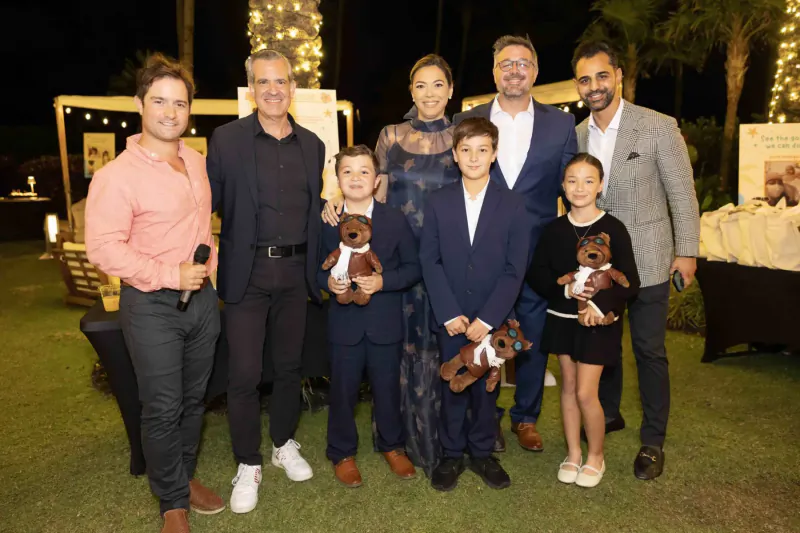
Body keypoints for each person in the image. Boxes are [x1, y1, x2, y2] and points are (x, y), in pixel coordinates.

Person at [85, 53, 224, 533]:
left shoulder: (197, 162)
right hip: (151, 304)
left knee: (193, 399)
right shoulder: (116, 176)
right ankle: (171, 503)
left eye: (180, 103)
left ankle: (182, 478)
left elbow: (203, 226)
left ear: (190, 109)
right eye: (159, 101)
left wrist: (210, 265)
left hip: (202, 301)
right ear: (140, 105)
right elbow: (103, 249)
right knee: (162, 405)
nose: (170, 112)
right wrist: (170, 273)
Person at [322, 54, 460, 475]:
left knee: (442, 347)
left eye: (439, 84)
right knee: (388, 356)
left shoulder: (463, 136)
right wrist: (337, 202)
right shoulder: (391, 135)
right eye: (421, 85)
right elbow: (369, 187)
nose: (430, 93)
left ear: (451, 90)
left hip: (440, 259)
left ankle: (441, 440)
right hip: (387, 256)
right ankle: (386, 440)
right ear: (411, 90)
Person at [572, 41, 700, 480]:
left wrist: (686, 251)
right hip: (600, 270)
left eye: (602, 76)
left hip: (648, 258)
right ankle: (608, 414)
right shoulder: (578, 135)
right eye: (585, 79)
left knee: (648, 349)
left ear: (619, 76)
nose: (595, 86)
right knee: (603, 346)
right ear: (578, 86)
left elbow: (682, 192)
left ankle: (653, 440)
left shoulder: (657, 126)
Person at [207, 49, 325, 513]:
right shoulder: (226, 140)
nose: (273, 90)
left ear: (293, 88)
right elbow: (205, 204)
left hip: (297, 273)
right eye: (263, 82)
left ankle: (282, 444)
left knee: (290, 367)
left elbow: (316, 205)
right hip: (247, 272)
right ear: (251, 89)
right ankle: (247, 462)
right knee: (243, 375)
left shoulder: (313, 144)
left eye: (281, 82)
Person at [454, 35, 577, 453]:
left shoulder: (560, 124)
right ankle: (486, 419)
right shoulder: (466, 119)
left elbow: (570, 186)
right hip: (480, 251)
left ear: (535, 72)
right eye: (506, 63)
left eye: (524, 63)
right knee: (482, 331)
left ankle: (526, 417)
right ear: (494, 71)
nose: (515, 70)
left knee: (533, 335)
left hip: (538, 252)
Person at [421, 117, 531, 491]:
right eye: (465, 150)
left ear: (494, 154)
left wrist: (488, 319)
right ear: (454, 154)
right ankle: (451, 455)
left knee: (486, 390)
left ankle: (483, 452)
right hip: (451, 316)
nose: (474, 156)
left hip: (493, 321)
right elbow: (429, 260)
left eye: (482, 150)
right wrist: (449, 312)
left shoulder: (514, 205)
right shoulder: (437, 202)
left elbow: (515, 269)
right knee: (451, 384)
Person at [527, 154, 640, 488]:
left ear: (600, 185)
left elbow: (629, 281)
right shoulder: (554, 229)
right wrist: (566, 294)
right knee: (570, 387)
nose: (580, 187)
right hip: (562, 319)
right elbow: (538, 274)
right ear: (563, 186)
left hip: (598, 324)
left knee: (588, 393)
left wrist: (601, 307)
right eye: (572, 180)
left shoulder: (614, 228)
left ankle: (596, 456)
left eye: (588, 180)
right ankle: (574, 453)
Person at [318, 145, 421, 487]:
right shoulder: (327, 219)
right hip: (344, 325)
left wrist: (382, 281)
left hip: (384, 323)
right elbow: (312, 269)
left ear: (376, 180)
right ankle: (342, 452)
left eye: (364, 171)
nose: (356, 178)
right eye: (347, 171)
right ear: (337, 180)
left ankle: (392, 445)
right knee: (343, 392)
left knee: (387, 388)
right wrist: (327, 283)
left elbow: (413, 267)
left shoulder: (393, 218)